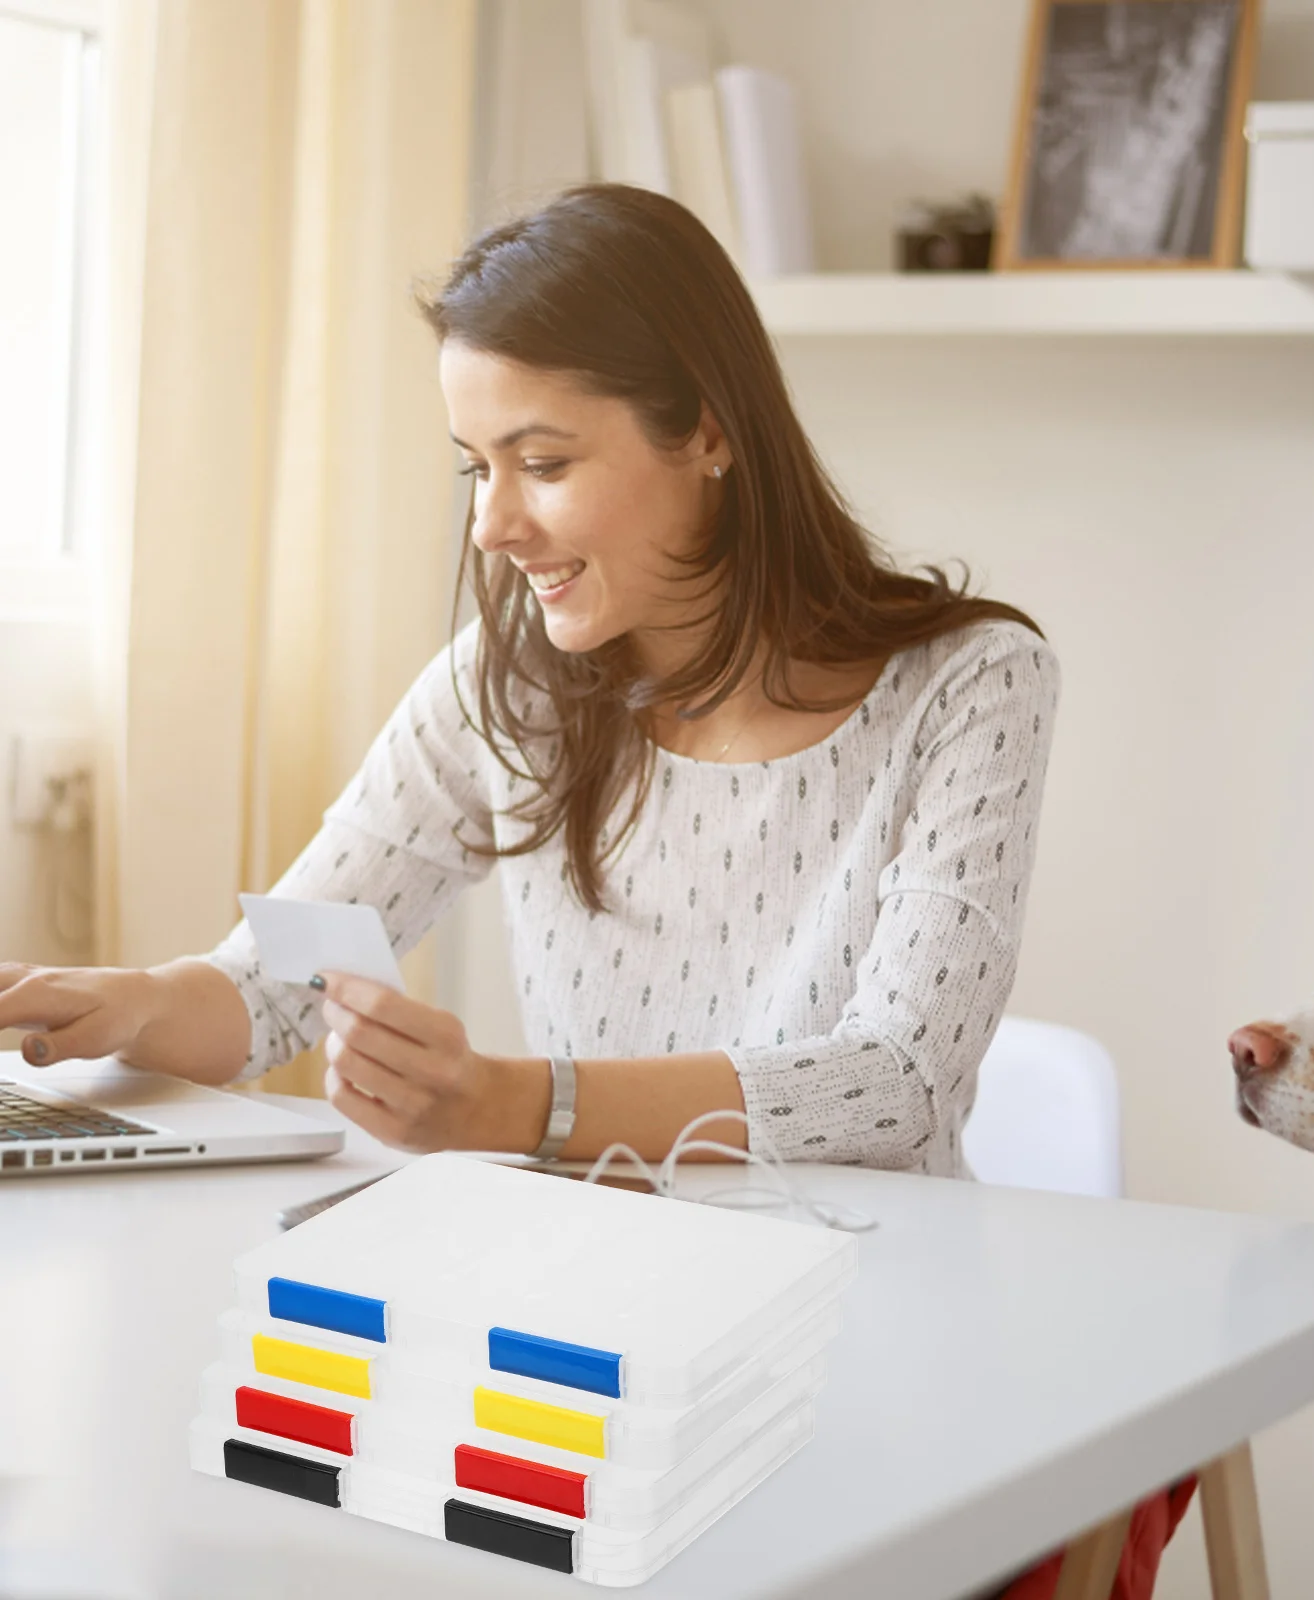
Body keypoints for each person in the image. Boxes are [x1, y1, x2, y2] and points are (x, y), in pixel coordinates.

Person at [0, 185, 1059, 1176]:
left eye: (542, 464)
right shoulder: (506, 687)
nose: (492, 526)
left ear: (706, 429)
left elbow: (894, 1081)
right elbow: (274, 989)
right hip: (588, 1300)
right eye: (477, 466)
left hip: (875, 1295)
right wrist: (133, 1003)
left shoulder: (965, 686)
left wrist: (520, 1106)